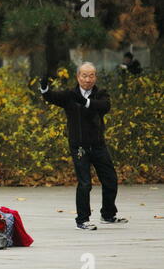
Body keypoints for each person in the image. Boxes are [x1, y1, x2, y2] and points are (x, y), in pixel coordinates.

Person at [39, 62, 128, 230]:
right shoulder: (69, 95)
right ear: (78, 77)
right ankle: (82, 220)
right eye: (84, 75)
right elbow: (51, 97)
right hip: (79, 147)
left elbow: (104, 106)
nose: (88, 79)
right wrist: (44, 87)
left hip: (98, 145)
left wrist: (85, 101)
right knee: (85, 183)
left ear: (95, 77)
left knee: (110, 180)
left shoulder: (101, 93)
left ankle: (108, 215)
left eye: (91, 75)